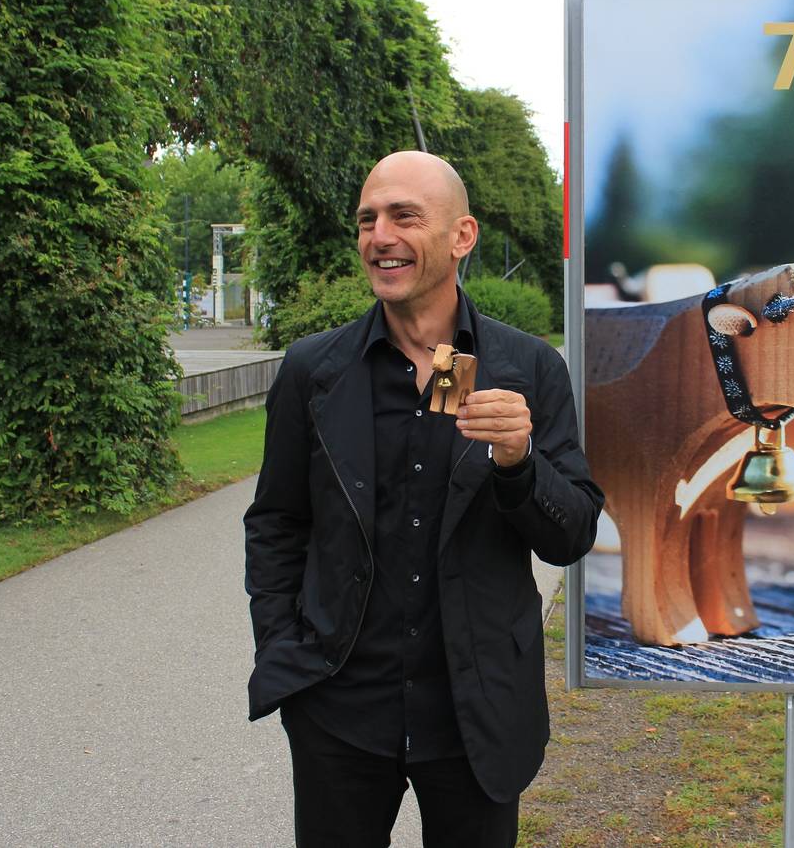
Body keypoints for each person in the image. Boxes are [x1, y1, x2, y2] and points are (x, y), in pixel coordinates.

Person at [243, 151, 604, 847]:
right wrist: (284, 654)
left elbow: (574, 531)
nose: (381, 235)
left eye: (405, 216)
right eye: (368, 219)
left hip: (476, 714)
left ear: (461, 236)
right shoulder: (314, 370)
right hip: (338, 711)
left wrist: (519, 462)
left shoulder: (525, 369)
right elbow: (277, 523)